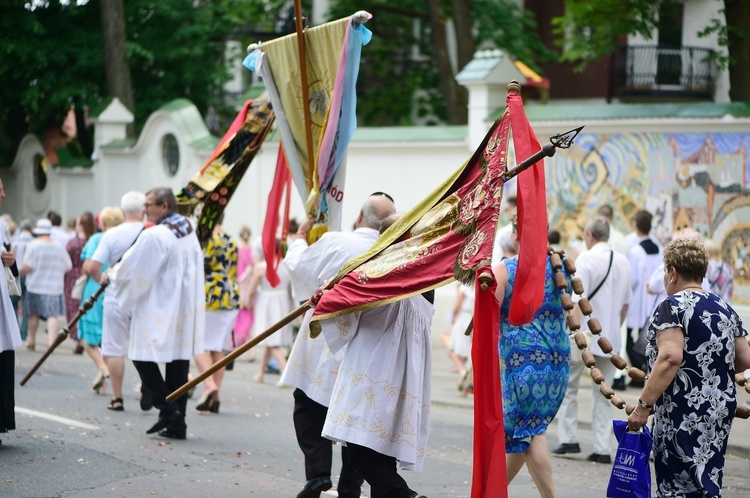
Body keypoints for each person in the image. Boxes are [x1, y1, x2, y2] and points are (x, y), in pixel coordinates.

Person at [282, 193, 396, 498]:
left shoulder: (336, 242)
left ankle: (318, 472)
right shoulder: (392, 253)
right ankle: (349, 488)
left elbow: (297, 266)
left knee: (309, 405)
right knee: (353, 424)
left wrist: (301, 235)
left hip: (326, 341)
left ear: (360, 216)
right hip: (368, 349)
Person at [319, 214, 433, 498]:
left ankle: (405, 496)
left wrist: (325, 297)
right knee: (383, 450)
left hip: (373, 367)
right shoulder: (427, 274)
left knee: (359, 450)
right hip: (408, 373)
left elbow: (343, 318)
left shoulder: (374, 271)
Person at [627, 238, 750, 497]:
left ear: (672, 273)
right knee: (706, 484)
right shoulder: (724, 308)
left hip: (681, 411)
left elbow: (669, 358)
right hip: (718, 409)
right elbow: (744, 359)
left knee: (677, 487)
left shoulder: (671, 307)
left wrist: (643, 407)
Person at [105, 187, 204, 439]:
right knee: (177, 363)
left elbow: (134, 268)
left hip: (159, 304)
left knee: (141, 357)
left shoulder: (157, 235)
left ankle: (169, 409)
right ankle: (176, 425)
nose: (145, 209)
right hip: (182, 304)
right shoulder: (187, 227)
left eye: (149, 205)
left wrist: (112, 276)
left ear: (165, 207)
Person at [491, 216, 571, 498]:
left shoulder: (506, 269)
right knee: (522, 433)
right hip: (558, 359)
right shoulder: (563, 267)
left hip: (523, 361)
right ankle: (491, 492)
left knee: (532, 430)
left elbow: (489, 312)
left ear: (515, 235)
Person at [553, 217, 631, 464]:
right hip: (610, 338)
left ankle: (568, 439)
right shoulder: (623, 261)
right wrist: (612, 330)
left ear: (589, 235)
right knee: (604, 395)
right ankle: (601, 447)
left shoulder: (585, 259)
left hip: (584, 337)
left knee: (570, 389)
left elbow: (576, 301)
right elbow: (625, 305)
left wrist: (570, 333)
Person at [86, 191, 146, 411]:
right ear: (144, 211)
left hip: (116, 295)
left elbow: (93, 266)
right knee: (145, 346)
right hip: (144, 297)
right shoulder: (150, 232)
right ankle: (148, 385)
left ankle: (118, 397)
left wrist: (102, 282)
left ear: (123, 212)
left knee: (114, 348)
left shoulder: (111, 235)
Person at [193, 213, 240, 413]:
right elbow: (233, 270)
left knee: (199, 344)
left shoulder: (203, 239)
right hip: (230, 294)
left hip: (210, 294)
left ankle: (209, 385)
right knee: (217, 347)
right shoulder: (231, 239)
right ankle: (216, 394)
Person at [80, 207, 124, 396]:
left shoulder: (97, 239)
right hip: (115, 291)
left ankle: (103, 368)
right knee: (107, 338)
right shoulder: (125, 239)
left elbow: (87, 267)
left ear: (104, 223)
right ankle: (105, 381)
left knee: (86, 337)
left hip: (95, 289)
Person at [20, 219, 73, 350]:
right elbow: (68, 265)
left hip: (35, 285)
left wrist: (18, 273)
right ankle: (51, 341)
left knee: (33, 313)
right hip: (54, 286)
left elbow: (28, 265)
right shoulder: (59, 246)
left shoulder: (33, 245)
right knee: (52, 314)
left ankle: (31, 340)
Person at [249, 240, 293, 385]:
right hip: (282, 302)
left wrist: (249, 300)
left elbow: (252, 288)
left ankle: (284, 372)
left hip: (268, 302)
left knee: (272, 340)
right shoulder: (287, 267)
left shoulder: (262, 267)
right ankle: (260, 371)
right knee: (269, 338)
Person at [625, 209, 662, 384]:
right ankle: (643, 371)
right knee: (646, 338)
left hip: (637, 298)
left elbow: (632, 279)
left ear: (636, 227)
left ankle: (639, 369)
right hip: (652, 298)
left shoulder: (635, 251)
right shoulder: (659, 248)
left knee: (630, 339)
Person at [0, 178, 22, 447]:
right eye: (0, 190)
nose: (4, 194)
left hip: (1, 304)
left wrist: (11, 262)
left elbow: (9, 262)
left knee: (3, 362)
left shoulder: (1, 224)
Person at [64, 213, 96, 352]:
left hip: (72, 276)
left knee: (72, 307)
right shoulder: (92, 241)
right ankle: (81, 337)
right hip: (86, 275)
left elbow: (66, 259)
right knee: (83, 307)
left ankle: (77, 338)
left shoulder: (73, 243)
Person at [231, 225, 255, 351]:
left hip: (239, 287)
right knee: (249, 317)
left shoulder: (236, 250)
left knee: (238, 318)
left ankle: (235, 345)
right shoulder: (253, 251)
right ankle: (249, 346)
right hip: (250, 289)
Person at [11, 220, 33, 341]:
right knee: (26, 305)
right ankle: (24, 333)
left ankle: (14, 330)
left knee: (13, 303)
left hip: (16, 274)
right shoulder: (33, 242)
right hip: (29, 276)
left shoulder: (15, 241)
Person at [448, 282, 473, 387]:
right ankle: (464, 381)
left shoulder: (465, 287)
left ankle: (462, 371)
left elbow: (457, 305)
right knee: (467, 351)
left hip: (462, 319)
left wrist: (453, 316)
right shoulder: (478, 287)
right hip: (472, 319)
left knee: (452, 349)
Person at [705, 238, 733, 303]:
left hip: (710, 304)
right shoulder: (728, 268)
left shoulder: (706, 267)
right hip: (725, 305)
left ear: (708, 252)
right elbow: (730, 290)